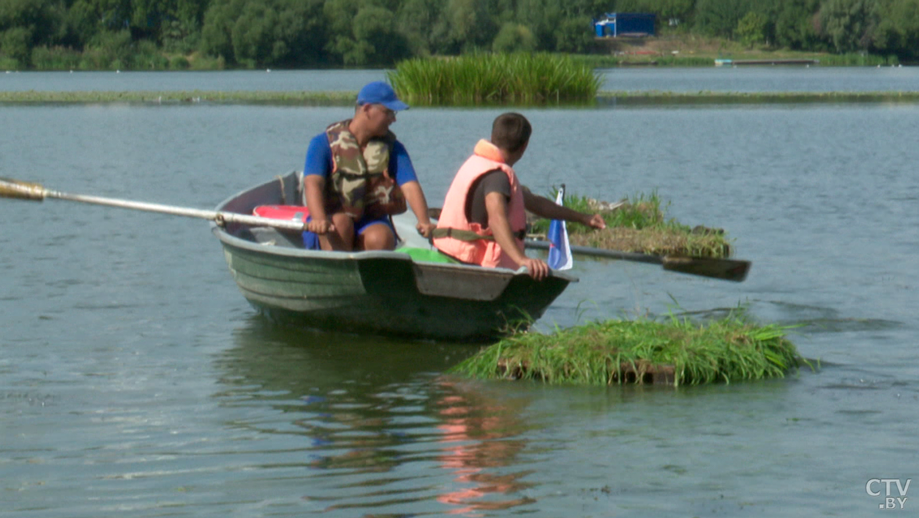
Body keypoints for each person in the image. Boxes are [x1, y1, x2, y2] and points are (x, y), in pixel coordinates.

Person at [433, 112, 606, 280]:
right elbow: (497, 219)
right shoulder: (497, 177)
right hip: (469, 263)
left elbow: (536, 204)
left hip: (449, 252)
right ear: (524, 146)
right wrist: (521, 259)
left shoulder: (478, 163)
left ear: (493, 136)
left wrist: (583, 218)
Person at [302, 81, 435, 251]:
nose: (393, 119)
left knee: (381, 236)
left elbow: (410, 186)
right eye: (388, 112)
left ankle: (368, 274)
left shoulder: (393, 148)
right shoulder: (323, 143)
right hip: (330, 220)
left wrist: (424, 221)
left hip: (369, 220)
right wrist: (319, 219)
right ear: (367, 109)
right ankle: (338, 271)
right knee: (341, 224)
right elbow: (312, 183)